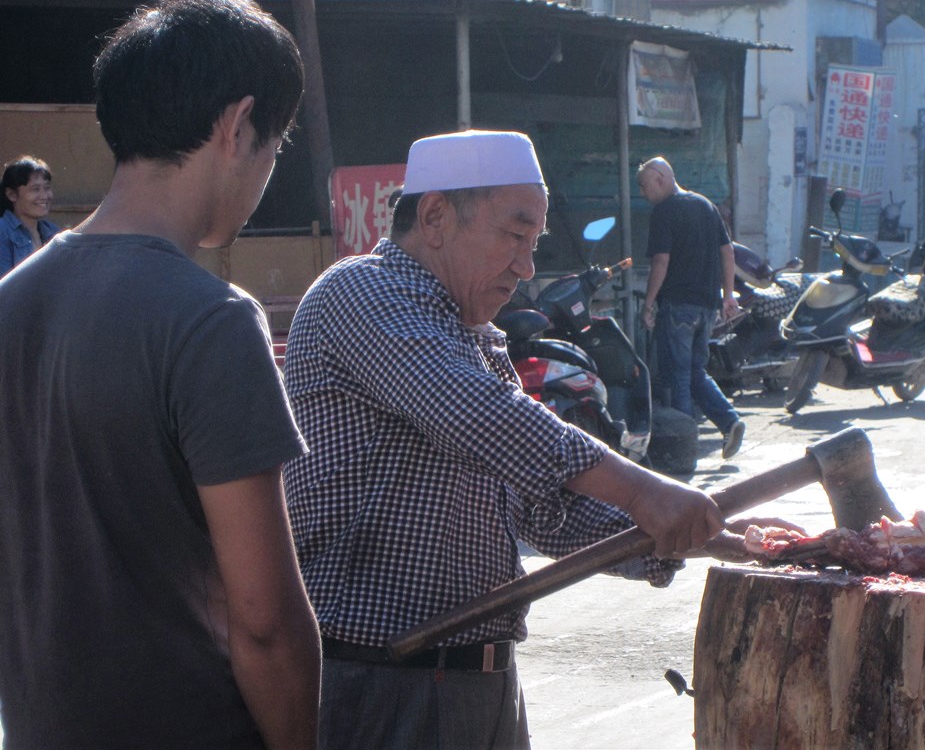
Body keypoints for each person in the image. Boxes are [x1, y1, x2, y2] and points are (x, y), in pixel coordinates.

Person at [283, 129, 725, 750]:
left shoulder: (481, 340)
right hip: (381, 684)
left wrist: (702, 534)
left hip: (483, 686)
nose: (527, 265)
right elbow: (478, 414)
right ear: (435, 216)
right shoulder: (359, 293)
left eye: (534, 242)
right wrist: (643, 488)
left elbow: (546, 511)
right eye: (515, 235)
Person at [0, 0, 320, 749]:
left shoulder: (10, 303)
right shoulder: (211, 319)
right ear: (238, 128)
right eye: (275, 149)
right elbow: (266, 624)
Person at [637, 156, 746, 459]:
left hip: (678, 306)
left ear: (660, 179)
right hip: (707, 307)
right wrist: (727, 295)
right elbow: (728, 253)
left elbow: (661, 261)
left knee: (679, 377)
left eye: (645, 187)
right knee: (695, 371)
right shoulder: (705, 205)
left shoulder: (664, 211)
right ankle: (730, 420)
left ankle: (685, 447)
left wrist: (648, 304)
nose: (645, 195)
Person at [1, 155, 60, 276]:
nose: (44, 196)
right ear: (12, 195)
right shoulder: (2, 231)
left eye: (47, 188)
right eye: (35, 189)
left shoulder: (53, 233)